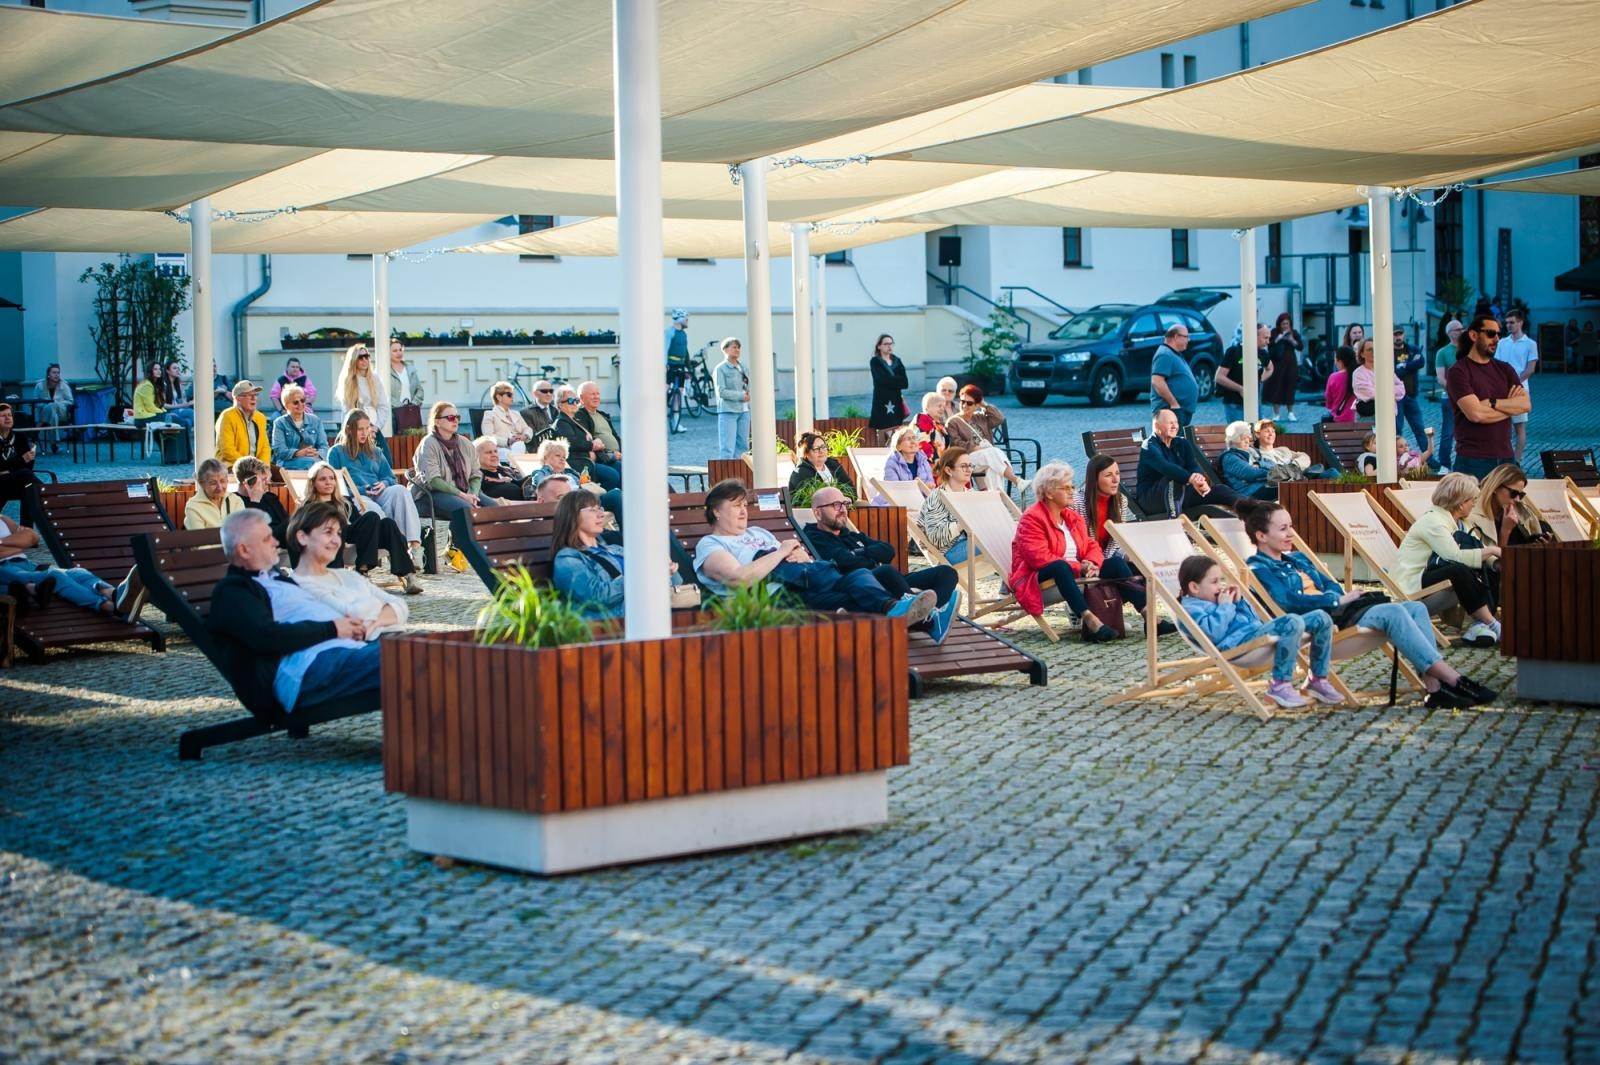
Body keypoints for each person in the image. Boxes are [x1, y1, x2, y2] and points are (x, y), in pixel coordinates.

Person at [1236, 497, 1495, 709]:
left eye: (1290, 526)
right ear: (1261, 536)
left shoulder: (1299, 559)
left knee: (1415, 608)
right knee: (1393, 612)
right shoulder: (1258, 568)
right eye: (1283, 529)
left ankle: (1435, 688)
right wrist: (1334, 600)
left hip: (1342, 610)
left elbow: (1330, 584)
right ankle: (1454, 679)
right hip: (1325, 623)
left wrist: (1337, 596)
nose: (1291, 533)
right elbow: (1287, 602)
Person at [209, 508, 380, 715]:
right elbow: (268, 637)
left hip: (349, 651)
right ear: (244, 550)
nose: (276, 542)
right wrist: (333, 628)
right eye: (267, 539)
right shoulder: (233, 591)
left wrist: (348, 624)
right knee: (408, 658)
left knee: (414, 646)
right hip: (310, 667)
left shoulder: (276, 580)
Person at [693, 479, 936, 624]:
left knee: (860, 576)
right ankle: (918, 618)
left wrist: (801, 555)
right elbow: (738, 579)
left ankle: (901, 610)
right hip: (783, 597)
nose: (743, 511)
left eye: (745, 505)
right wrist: (781, 552)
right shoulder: (711, 544)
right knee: (863, 594)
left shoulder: (758, 532)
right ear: (716, 511)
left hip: (813, 580)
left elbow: (798, 557)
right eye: (736, 506)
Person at [1177, 555, 1338, 709]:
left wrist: (1239, 602)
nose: (1220, 586)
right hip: (1239, 645)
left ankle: (1317, 679)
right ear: (1194, 587)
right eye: (1214, 582)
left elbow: (1253, 620)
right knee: (1292, 622)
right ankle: (1280, 685)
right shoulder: (1189, 610)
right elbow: (1213, 634)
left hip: (1255, 633)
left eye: (1221, 580)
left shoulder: (1216, 600)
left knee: (1321, 617)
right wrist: (1225, 606)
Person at [803, 484, 959, 642]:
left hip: (889, 582)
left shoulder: (850, 535)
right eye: (836, 505)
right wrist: (867, 555)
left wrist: (858, 553)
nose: (843, 509)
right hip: (862, 588)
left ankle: (930, 616)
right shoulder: (813, 538)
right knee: (886, 570)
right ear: (818, 513)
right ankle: (930, 623)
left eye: (844, 504)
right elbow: (846, 562)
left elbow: (888, 550)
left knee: (946, 573)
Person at [1010, 461, 1123, 643]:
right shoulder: (1031, 518)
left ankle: (1149, 616)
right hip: (1037, 580)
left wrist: (1092, 563)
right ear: (1049, 493)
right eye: (1066, 488)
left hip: (1073, 574)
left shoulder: (1072, 517)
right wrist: (1080, 567)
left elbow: (1091, 545)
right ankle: (1090, 619)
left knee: (1117, 563)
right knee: (1060, 566)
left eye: (1072, 486)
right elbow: (1039, 558)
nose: (1072, 491)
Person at [1393, 472, 1501, 647]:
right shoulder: (1433, 521)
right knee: (1458, 570)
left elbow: (1478, 549)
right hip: (1412, 583)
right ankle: (1491, 623)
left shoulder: (1462, 522)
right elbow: (1454, 556)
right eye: (1472, 499)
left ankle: (1481, 624)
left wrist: (1496, 563)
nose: (1475, 503)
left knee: (1491, 567)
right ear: (1460, 503)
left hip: (1433, 577)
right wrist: (1493, 550)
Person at [1073, 455, 1176, 635]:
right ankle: (1151, 618)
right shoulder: (1077, 501)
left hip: (1106, 561)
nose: (1115, 480)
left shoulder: (1120, 500)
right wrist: (1091, 562)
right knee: (1117, 564)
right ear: (1094, 478)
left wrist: (1129, 554)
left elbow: (1118, 542)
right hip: (1084, 564)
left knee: (1140, 565)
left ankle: (1151, 619)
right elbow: (1072, 540)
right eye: (1108, 475)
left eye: (1118, 474)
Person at [289, 500, 409, 634]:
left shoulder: (350, 576)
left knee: (385, 522)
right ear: (302, 537)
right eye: (328, 532)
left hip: (388, 637)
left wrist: (374, 623)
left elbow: (401, 607)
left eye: (339, 533)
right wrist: (379, 607)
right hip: (367, 642)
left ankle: (407, 573)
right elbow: (352, 614)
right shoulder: (302, 585)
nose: (336, 540)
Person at [303, 460, 422, 594]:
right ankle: (362, 571)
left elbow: (358, 523)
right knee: (371, 516)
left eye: (331, 478)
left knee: (387, 524)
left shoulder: (344, 501)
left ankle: (408, 575)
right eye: (322, 479)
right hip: (335, 539)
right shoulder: (310, 506)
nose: (328, 482)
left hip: (353, 536)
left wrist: (370, 530)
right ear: (313, 483)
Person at [551, 490, 675, 619]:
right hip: (614, 625)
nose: (601, 514)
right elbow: (596, 597)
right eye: (592, 510)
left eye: (600, 509)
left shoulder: (616, 550)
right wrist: (641, 577)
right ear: (572, 515)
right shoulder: (568, 558)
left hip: (650, 616)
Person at [1444, 314, 1528, 479]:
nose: (1496, 339)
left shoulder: (1505, 369)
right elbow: (1476, 414)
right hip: (1472, 460)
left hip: (1506, 458)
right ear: (1473, 335)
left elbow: (1525, 405)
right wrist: (1510, 408)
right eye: (1490, 334)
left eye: (1498, 334)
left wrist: (1492, 402)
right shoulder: (1458, 372)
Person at [0, 511, 128, 617]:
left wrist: (3, 543)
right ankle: (110, 607)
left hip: (26, 564)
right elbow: (24, 540)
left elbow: (33, 537)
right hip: (4, 568)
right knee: (55, 576)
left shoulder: (3, 519)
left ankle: (113, 594)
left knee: (78, 572)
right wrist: (18, 543)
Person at [327, 409, 422, 552]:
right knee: (373, 510)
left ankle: (414, 547)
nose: (364, 433)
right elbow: (336, 485)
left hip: (378, 493)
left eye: (367, 428)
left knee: (401, 491)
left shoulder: (375, 451)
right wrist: (361, 490)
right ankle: (393, 545)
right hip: (356, 496)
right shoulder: (336, 452)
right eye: (360, 429)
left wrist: (384, 483)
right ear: (349, 429)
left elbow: (390, 477)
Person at [1136, 409, 1241, 519]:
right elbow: (1165, 467)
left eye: (1176, 422)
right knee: (1173, 479)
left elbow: (1193, 466)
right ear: (1157, 426)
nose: (1175, 426)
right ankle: (1175, 521)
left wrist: (1199, 479)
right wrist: (1190, 478)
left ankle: (1252, 509)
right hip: (1151, 500)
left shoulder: (1182, 443)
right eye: (1170, 423)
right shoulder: (1148, 446)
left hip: (1180, 493)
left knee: (1220, 490)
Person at [410, 401, 500, 518]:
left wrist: (472, 494)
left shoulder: (465, 443)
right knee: (468, 510)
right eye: (451, 418)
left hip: (465, 490)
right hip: (432, 494)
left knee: (496, 509)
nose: (456, 420)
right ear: (437, 422)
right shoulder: (429, 444)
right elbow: (433, 481)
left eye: (457, 417)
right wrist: (463, 496)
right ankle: (466, 530)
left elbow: (476, 474)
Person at [945, 384, 1022, 493]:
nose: (964, 405)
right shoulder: (953, 422)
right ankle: (1016, 480)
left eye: (969, 403)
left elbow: (999, 418)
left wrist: (984, 405)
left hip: (988, 458)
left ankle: (995, 498)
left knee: (992, 467)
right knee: (993, 453)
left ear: (976, 405)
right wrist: (974, 447)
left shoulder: (980, 417)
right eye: (962, 401)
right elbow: (955, 443)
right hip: (968, 458)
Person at [552, 385, 621, 491]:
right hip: (579, 463)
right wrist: (592, 445)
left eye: (576, 400)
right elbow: (571, 442)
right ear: (560, 404)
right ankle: (600, 498)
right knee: (612, 475)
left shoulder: (573, 421)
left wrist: (596, 442)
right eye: (570, 401)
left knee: (619, 469)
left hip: (589, 461)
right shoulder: (561, 422)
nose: (574, 403)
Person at [918, 447, 979, 563]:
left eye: (970, 465)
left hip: (967, 543)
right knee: (997, 543)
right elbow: (935, 538)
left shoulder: (969, 494)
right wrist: (963, 521)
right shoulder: (938, 497)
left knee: (1005, 538)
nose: (969, 469)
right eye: (963, 466)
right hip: (947, 552)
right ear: (949, 470)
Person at [1472, 463, 1554, 548]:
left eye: (1521, 495)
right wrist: (1505, 531)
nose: (1517, 499)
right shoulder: (1473, 516)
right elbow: (1495, 556)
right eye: (1513, 493)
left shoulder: (1521, 511)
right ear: (1496, 487)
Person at [1494, 309, 1538, 464]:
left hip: (1520, 390)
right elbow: (1496, 365)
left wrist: (1515, 383)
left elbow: (1530, 369)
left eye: (1512, 322)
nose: (1508, 325)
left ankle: (1516, 461)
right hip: (1502, 390)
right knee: (1500, 427)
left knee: (1519, 428)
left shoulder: (1530, 344)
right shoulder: (1502, 343)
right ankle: (1501, 459)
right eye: (1507, 323)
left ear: (1520, 322)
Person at [335, 343, 391, 461]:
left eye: (367, 356)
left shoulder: (375, 378)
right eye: (361, 357)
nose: (365, 360)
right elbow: (346, 410)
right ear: (354, 360)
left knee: (386, 460)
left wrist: (375, 428)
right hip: (354, 429)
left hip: (373, 427)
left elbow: (383, 406)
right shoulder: (348, 381)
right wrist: (355, 430)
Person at [1217, 324, 1274, 424]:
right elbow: (1219, 377)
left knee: (1256, 431)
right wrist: (1240, 389)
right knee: (1239, 432)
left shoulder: (1262, 353)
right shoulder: (1234, 351)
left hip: (1254, 404)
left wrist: (1260, 380)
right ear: (1254, 336)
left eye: (1269, 338)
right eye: (1265, 338)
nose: (1268, 342)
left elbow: (1270, 368)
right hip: (1235, 403)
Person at [573, 381, 623, 485]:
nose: (596, 397)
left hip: (617, 456)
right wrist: (611, 454)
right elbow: (589, 441)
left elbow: (615, 437)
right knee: (623, 471)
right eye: (592, 394)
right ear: (581, 398)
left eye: (598, 394)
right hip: (604, 459)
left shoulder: (603, 415)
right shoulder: (580, 415)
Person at [1150, 323, 1199, 429]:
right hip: (1170, 410)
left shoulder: (1173, 354)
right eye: (1186, 336)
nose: (1188, 340)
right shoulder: (1165, 354)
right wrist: (1174, 404)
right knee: (1172, 440)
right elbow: (1157, 381)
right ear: (1176, 336)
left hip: (1178, 410)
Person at [233, 456, 289, 546]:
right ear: (248, 482)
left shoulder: (270, 498)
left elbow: (288, 527)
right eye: (263, 480)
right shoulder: (234, 502)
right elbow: (255, 537)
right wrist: (255, 501)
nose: (267, 483)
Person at [269, 383, 326, 470]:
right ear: (286, 405)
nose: (300, 404)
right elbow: (279, 450)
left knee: (319, 465)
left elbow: (324, 446)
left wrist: (316, 453)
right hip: (288, 462)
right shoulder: (280, 423)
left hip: (313, 460)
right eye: (296, 402)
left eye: (302, 400)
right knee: (313, 464)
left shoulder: (315, 420)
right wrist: (298, 453)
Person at [215, 379, 271, 467]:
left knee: (281, 473)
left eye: (255, 395)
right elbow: (227, 449)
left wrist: (263, 466)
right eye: (249, 395)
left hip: (255, 466)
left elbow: (265, 447)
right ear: (238, 398)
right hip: (232, 465)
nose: (254, 398)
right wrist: (249, 465)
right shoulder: (227, 416)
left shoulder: (260, 417)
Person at [0, 403, 40, 527]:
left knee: (28, 488)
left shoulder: (20, 438)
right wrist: (21, 460)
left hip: (12, 481)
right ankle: (48, 494)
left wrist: (28, 459)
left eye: (9, 415)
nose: (8, 418)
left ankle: (26, 530)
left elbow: (28, 467)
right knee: (25, 477)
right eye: (3, 416)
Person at [1219, 421, 1277, 501]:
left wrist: (1259, 464)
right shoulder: (1230, 458)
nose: (1247, 441)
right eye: (1243, 438)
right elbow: (1251, 474)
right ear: (1234, 440)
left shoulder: (1252, 452)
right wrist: (1275, 473)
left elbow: (1272, 463)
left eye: (1248, 438)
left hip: (1260, 486)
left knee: (1287, 485)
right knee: (1284, 487)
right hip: (1248, 493)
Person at [1432, 319, 1463, 470]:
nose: (1461, 331)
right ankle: (1444, 464)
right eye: (1458, 329)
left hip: (1469, 397)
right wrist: (1455, 391)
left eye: (1462, 328)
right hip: (1450, 397)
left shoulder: (1469, 349)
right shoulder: (1443, 352)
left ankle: (1464, 462)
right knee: (1448, 432)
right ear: (1450, 333)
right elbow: (1440, 378)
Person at [1393, 326, 1429, 454]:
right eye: (1395, 334)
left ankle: (1429, 458)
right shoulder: (1388, 352)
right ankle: (1396, 458)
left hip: (1411, 396)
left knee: (1419, 428)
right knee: (1397, 430)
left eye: (1400, 334)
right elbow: (1396, 372)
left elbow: (1421, 362)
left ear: (1404, 334)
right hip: (1396, 398)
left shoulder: (1412, 349)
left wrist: (1405, 365)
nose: (1398, 337)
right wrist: (1409, 366)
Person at [713, 336, 750, 460]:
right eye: (734, 347)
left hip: (744, 411)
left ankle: (741, 471)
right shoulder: (720, 369)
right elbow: (721, 392)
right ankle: (726, 472)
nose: (737, 350)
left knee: (743, 447)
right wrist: (742, 396)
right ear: (725, 349)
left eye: (739, 347)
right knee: (727, 448)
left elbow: (749, 385)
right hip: (728, 411)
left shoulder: (743, 367)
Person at [184, 458, 245, 530]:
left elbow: (244, 531)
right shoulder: (193, 506)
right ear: (201, 483)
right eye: (213, 483)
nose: (219, 487)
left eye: (222, 481)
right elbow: (199, 536)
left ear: (227, 480)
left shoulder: (236, 501)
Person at [481, 380, 535, 460]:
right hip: (500, 449)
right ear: (499, 397)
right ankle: (516, 465)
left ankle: (515, 465)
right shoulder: (490, 414)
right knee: (513, 449)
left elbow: (527, 428)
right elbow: (489, 436)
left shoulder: (516, 414)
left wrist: (524, 436)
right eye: (509, 395)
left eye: (512, 395)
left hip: (518, 447)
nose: (512, 397)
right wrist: (508, 441)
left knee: (519, 445)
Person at [1262, 312, 1301, 421]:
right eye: (1283, 324)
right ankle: (1276, 414)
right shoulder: (1274, 332)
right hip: (1277, 363)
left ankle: (1290, 413)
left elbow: (1300, 347)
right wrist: (1279, 338)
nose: (1285, 326)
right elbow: (1269, 345)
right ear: (1279, 324)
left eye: (1287, 324)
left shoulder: (1294, 333)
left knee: (1290, 387)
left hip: (1291, 363)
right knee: (1277, 387)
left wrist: (1291, 339)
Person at [1351, 339, 1403, 420]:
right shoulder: (1358, 373)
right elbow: (1371, 393)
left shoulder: (1386, 370)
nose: (1373, 352)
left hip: (1389, 415)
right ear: (1362, 354)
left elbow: (1401, 390)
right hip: (1369, 416)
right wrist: (1391, 391)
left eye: (1376, 349)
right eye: (1370, 350)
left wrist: (1380, 390)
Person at [788, 431, 850, 497]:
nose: (821, 451)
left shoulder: (833, 464)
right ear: (806, 453)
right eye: (816, 449)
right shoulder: (800, 472)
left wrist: (848, 498)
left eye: (823, 447)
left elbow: (850, 488)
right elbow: (812, 499)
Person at [868, 333, 910, 432]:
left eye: (891, 343)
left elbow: (905, 383)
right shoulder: (875, 361)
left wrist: (889, 380)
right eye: (886, 344)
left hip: (896, 399)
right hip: (881, 400)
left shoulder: (897, 361)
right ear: (879, 346)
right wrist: (896, 379)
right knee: (883, 430)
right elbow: (880, 380)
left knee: (897, 430)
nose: (889, 346)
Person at [32, 363, 74, 453]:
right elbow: (35, 402)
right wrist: (46, 405)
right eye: (54, 372)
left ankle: (39, 424)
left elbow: (70, 401)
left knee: (53, 405)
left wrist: (58, 404)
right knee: (54, 416)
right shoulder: (40, 386)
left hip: (62, 413)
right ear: (48, 374)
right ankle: (54, 445)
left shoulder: (64, 385)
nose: (56, 375)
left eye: (58, 372)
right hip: (50, 415)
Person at [475, 436, 532, 503]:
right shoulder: (477, 476)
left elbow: (519, 483)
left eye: (495, 451)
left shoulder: (505, 470)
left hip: (529, 502)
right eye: (489, 452)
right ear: (476, 456)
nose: (494, 454)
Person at [880, 425, 934, 494]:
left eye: (914, 438)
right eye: (908, 439)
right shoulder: (891, 463)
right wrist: (918, 487)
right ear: (898, 447)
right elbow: (893, 491)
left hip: (920, 499)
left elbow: (930, 484)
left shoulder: (923, 460)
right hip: (897, 500)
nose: (913, 441)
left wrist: (929, 487)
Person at [388, 337, 425, 428]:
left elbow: (420, 390)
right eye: (395, 351)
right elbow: (385, 394)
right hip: (394, 415)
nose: (399, 353)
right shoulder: (385, 371)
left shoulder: (410, 368)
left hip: (412, 414)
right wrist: (402, 408)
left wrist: (412, 405)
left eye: (400, 350)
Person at [664, 309, 691, 434]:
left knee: (678, 395)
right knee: (663, 391)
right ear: (680, 319)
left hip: (680, 367)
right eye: (686, 318)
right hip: (670, 366)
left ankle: (676, 423)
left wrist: (689, 368)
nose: (687, 321)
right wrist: (664, 365)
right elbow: (664, 349)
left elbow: (685, 352)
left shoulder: (684, 334)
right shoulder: (670, 332)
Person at [1323, 346, 1360, 424]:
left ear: (1340, 362)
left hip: (1338, 420)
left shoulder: (1333, 377)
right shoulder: (1359, 376)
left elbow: (1328, 403)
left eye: (1335, 359)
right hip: (1358, 419)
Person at [131, 362, 171, 431]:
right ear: (150, 371)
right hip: (142, 418)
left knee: (173, 417)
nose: (159, 371)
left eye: (159, 369)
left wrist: (164, 412)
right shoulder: (147, 385)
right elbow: (150, 407)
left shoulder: (154, 385)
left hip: (149, 415)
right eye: (155, 369)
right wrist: (163, 413)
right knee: (173, 419)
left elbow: (158, 405)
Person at [159, 359, 196, 432]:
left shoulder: (177, 384)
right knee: (191, 412)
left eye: (178, 368)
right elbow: (163, 405)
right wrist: (181, 405)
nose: (177, 370)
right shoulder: (164, 385)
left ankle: (184, 438)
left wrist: (187, 403)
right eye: (174, 368)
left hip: (178, 410)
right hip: (169, 412)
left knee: (188, 421)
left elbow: (182, 401)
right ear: (167, 371)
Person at [913, 391, 947, 460]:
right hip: (927, 461)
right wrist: (935, 459)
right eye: (939, 406)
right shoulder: (922, 418)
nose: (942, 409)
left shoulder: (938, 424)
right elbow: (923, 443)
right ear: (927, 407)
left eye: (943, 406)